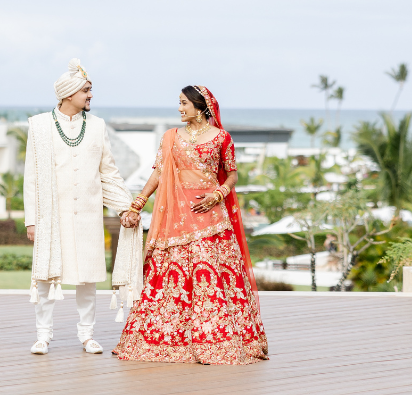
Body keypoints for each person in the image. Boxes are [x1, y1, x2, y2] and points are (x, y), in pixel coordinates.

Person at [114, 85, 268, 365]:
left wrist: (217, 195)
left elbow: (232, 176)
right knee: (170, 279)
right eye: (180, 102)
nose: (179, 108)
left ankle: (217, 338)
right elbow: (159, 173)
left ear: (200, 106)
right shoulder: (171, 137)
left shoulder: (222, 137)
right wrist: (138, 203)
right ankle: (167, 339)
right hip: (175, 216)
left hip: (211, 217)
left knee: (212, 279)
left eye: (184, 103)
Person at [24, 58, 141, 356]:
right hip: (51, 215)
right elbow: (31, 177)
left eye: (91, 90)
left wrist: (125, 207)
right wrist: (31, 220)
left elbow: (109, 172)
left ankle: (87, 335)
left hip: (88, 215)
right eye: (86, 91)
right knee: (47, 277)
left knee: (87, 277)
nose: (91, 96)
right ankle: (43, 335)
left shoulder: (98, 126)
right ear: (68, 94)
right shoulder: (39, 126)